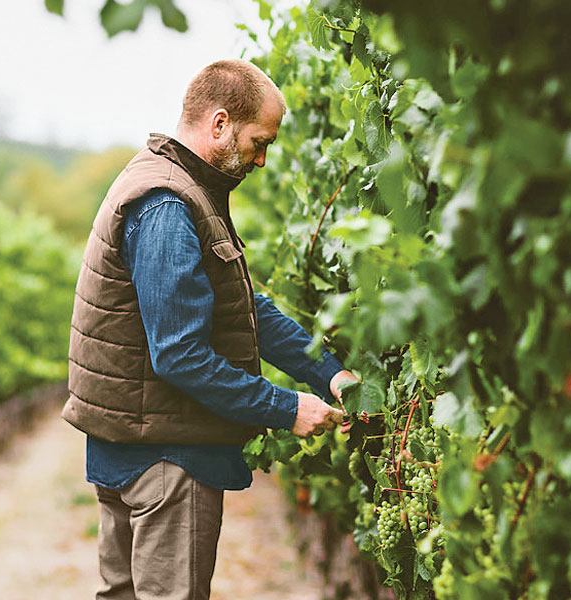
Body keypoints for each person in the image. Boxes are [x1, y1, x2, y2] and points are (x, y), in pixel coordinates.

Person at [62, 58, 357, 600]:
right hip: (166, 463)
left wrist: (328, 373)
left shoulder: (176, 187)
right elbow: (180, 356)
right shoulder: (168, 206)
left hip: (134, 448)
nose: (262, 159)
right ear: (219, 124)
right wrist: (288, 409)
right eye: (258, 141)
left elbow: (245, 309)